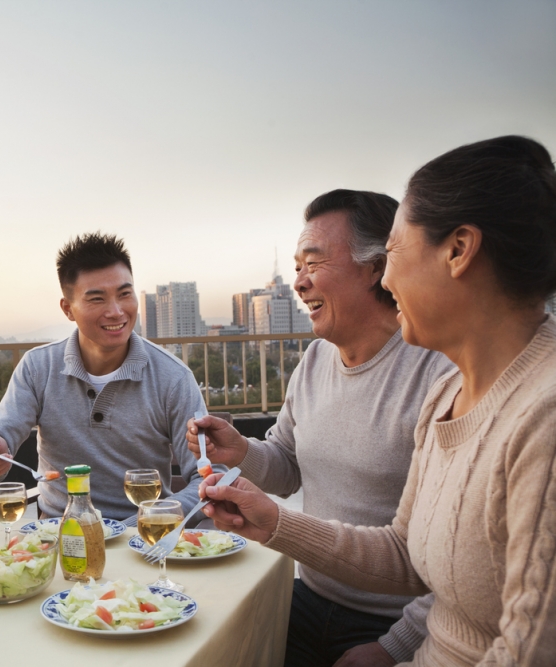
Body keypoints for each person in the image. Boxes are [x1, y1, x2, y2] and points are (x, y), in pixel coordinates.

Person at [200, 136, 556, 666]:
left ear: (458, 250)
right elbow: (406, 551)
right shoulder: (449, 393)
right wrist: (271, 518)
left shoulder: (538, 416)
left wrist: (394, 650)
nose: (388, 276)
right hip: (319, 596)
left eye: (392, 252)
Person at [188, 190, 453, 666]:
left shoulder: (439, 372)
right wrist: (240, 451)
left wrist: (396, 647)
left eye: (313, 263)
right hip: (306, 593)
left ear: (377, 267)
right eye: (296, 268)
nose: (299, 282)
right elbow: (287, 465)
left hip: (394, 620)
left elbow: (459, 554)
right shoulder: (315, 360)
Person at [0, 232, 207, 522]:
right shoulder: (37, 367)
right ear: (68, 309)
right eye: (97, 299)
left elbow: (208, 477)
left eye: (125, 294)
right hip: (59, 533)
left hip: (143, 536)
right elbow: (0, 437)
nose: (116, 311)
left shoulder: (173, 377)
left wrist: (142, 522)